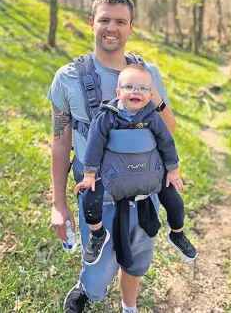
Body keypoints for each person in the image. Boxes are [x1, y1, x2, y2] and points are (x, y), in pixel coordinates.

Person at [48, 0, 178, 313]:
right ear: (92, 22)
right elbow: (60, 140)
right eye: (105, 20)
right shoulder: (68, 78)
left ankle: (129, 306)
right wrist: (58, 203)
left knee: (134, 259)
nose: (112, 28)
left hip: (141, 191)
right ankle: (87, 288)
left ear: (131, 27)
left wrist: (154, 98)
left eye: (121, 21)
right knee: (98, 263)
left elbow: (169, 128)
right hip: (97, 194)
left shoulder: (147, 74)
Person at [74, 64, 197, 266]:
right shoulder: (107, 116)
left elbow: (167, 142)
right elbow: (94, 146)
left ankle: (177, 233)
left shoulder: (152, 117)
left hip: (151, 172)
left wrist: (173, 171)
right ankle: (97, 235)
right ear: (118, 92)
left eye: (143, 88)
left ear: (150, 96)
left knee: (174, 201)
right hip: (113, 174)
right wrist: (89, 174)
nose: (136, 92)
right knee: (90, 198)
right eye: (129, 87)